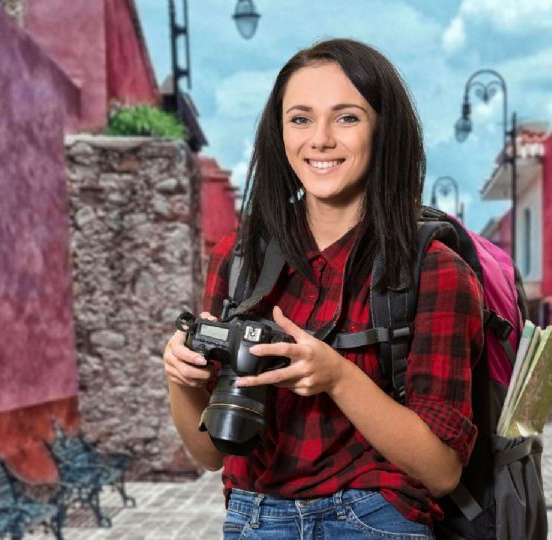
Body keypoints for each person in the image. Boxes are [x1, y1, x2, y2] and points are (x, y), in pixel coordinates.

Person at [162, 38, 484, 540]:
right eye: (300, 118)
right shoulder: (240, 258)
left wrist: (336, 377)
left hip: (374, 518)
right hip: (253, 517)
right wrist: (181, 377)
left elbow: (442, 472)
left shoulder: (433, 270)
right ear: (279, 133)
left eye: (347, 117)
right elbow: (209, 454)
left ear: (383, 129)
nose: (321, 139)